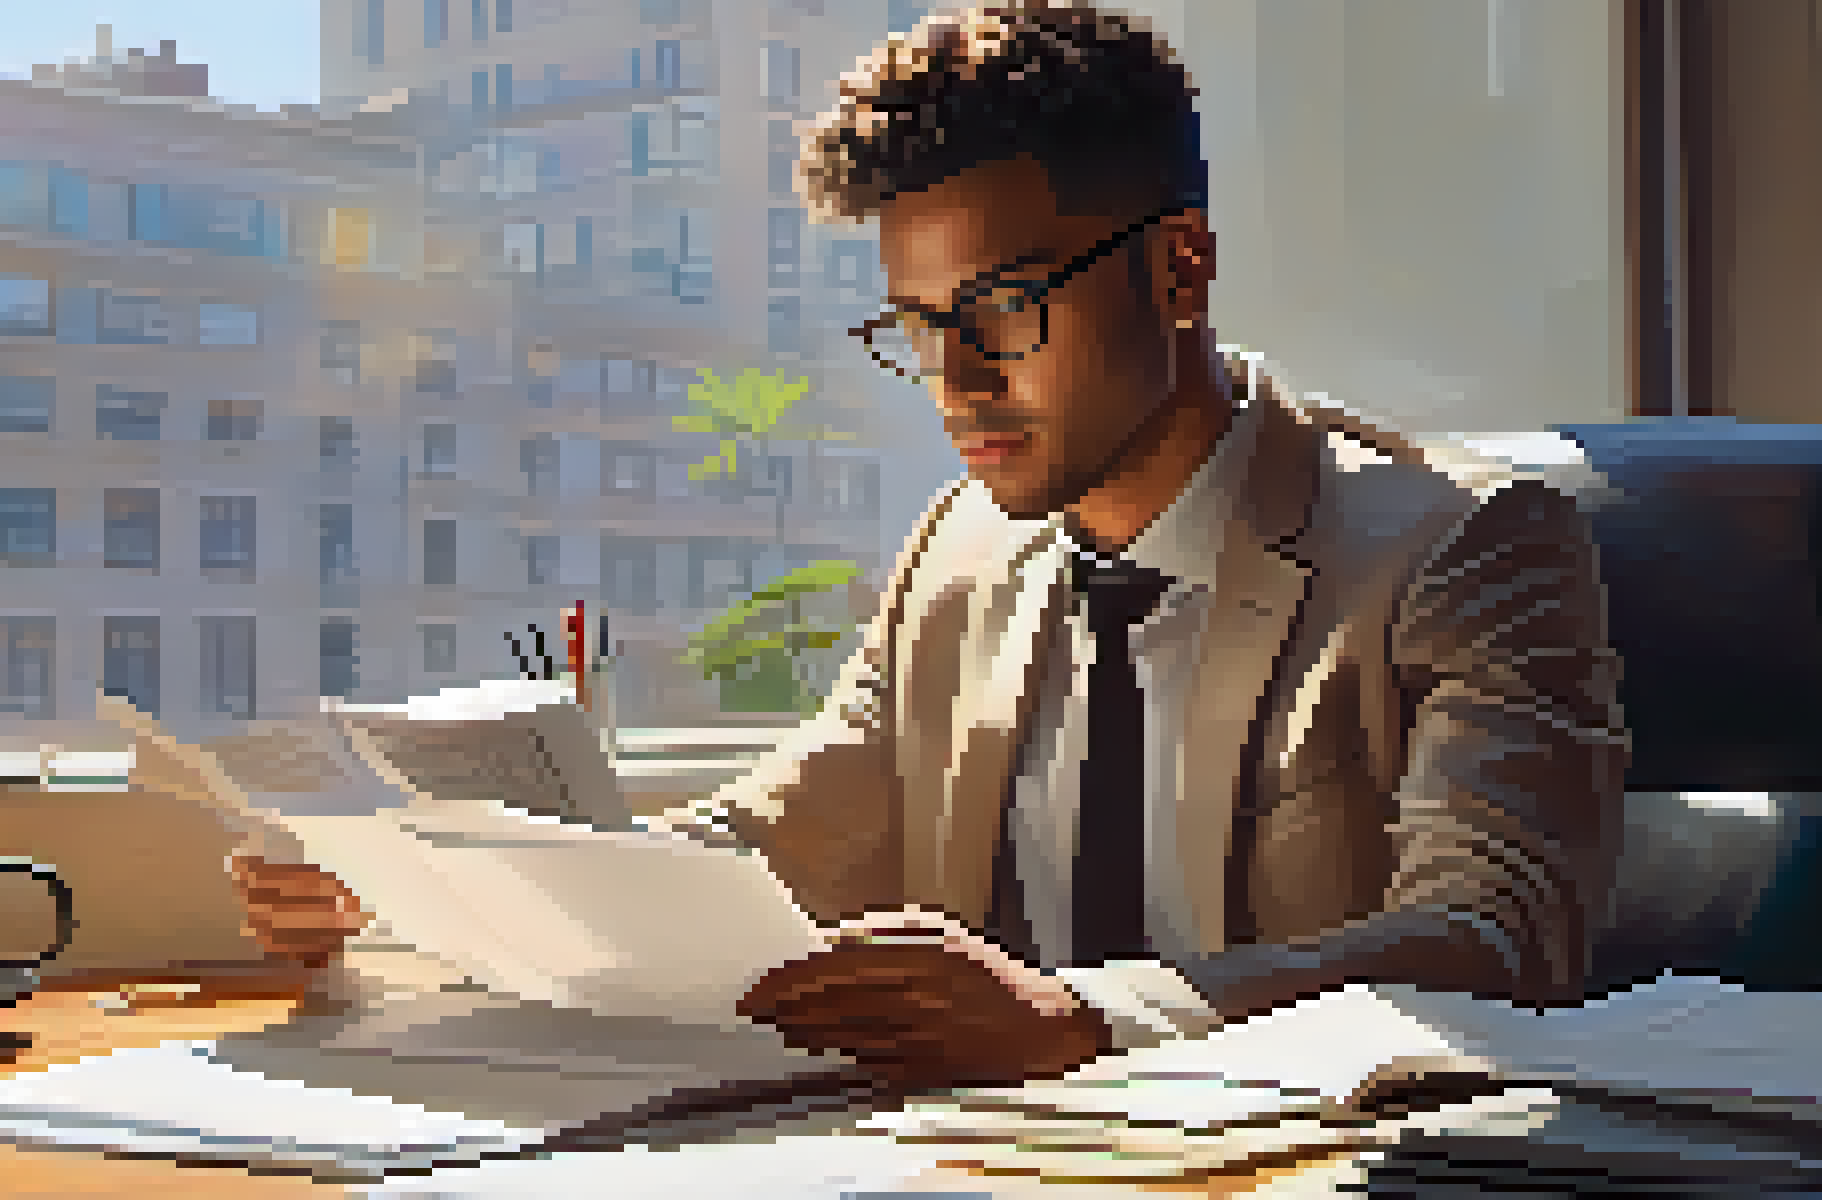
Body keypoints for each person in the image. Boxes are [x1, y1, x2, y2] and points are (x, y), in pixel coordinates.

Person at [236, 1, 1626, 1093]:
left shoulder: (1467, 547)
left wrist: (1083, 1018)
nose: (955, 381)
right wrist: (425, 888)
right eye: (916, 322)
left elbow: (1498, 939)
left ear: (1181, 271)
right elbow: (766, 844)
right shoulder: (959, 557)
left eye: (1004, 307)